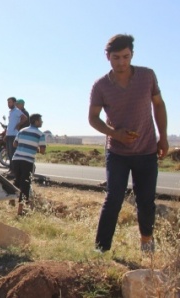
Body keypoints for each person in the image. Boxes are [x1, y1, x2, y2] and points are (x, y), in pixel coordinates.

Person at [88, 34, 168, 253]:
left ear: (132, 54)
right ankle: (101, 250)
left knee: (146, 201)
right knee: (113, 197)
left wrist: (164, 136)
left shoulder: (147, 76)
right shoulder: (101, 86)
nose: (121, 62)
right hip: (117, 153)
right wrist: (115, 134)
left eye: (126, 57)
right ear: (108, 57)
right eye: (116, 57)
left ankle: (147, 245)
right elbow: (93, 118)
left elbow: (158, 105)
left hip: (147, 150)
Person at [12, 114, 46, 216]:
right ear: (36, 121)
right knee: (25, 184)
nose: (42, 122)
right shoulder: (40, 134)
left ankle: (11, 198)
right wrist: (36, 149)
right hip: (27, 161)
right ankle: (20, 210)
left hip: (16, 159)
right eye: (40, 120)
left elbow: (14, 144)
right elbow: (43, 150)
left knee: (17, 181)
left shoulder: (22, 131)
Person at [4, 97, 28, 178]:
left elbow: (25, 118)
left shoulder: (17, 111)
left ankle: (14, 171)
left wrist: (19, 125)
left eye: (10, 102)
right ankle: (11, 169)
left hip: (14, 135)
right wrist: (6, 134)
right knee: (9, 154)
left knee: (13, 153)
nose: (8, 104)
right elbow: (10, 124)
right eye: (8, 102)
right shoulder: (10, 112)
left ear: (14, 103)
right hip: (9, 135)